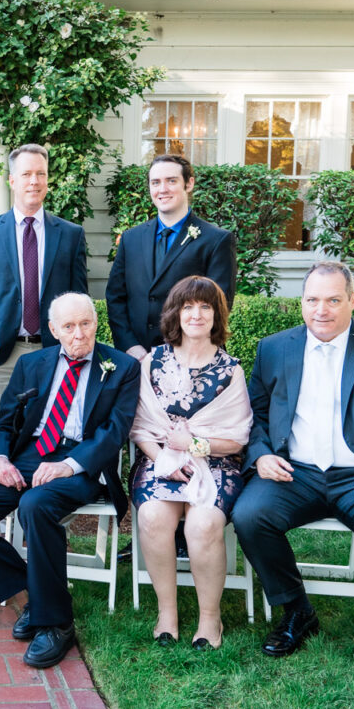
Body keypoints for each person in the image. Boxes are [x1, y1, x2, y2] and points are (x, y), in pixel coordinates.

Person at [234, 261, 354, 680]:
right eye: (312, 300)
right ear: (301, 302)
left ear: (352, 300)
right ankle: (296, 610)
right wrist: (261, 454)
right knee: (249, 515)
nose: (321, 310)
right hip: (295, 473)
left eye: (333, 300)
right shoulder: (274, 348)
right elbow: (255, 414)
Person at [0, 293, 140, 669]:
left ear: (95, 323)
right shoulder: (32, 363)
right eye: (68, 326)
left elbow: (114, 433)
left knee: (34, 505)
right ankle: (36, 591)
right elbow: (6, 421)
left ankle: (56, 623)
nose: (79, 334)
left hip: (83, 463)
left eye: (85, 323)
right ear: (53, 330)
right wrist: (0, 459)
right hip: (29, 457)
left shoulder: (121, 367)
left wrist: (68, 465)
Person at [128, 276, 252, 650]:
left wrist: (194, 444)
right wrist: (165, 461)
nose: (196, 314)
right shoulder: (152, 362)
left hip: (215, 462)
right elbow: (140, 427)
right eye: (187, 307)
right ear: (176, 314)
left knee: (204, 523)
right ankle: (167, 613)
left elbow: (237, 438)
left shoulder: (230, 370)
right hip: (159, 460)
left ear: (216, 315)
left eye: (205, 307)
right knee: (153, 516)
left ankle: (209, 618)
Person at [0, 143, 88, 426]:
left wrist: (73, 344)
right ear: (12, 180)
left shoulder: (71, 235)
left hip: (54, 351)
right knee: (2, 433)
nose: (34, 181)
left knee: (51, 431)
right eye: (27, 174)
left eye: (41, 174)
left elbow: (79, 299)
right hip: (2, 354)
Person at [105, 154, 236, 362]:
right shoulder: (131, 238)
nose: (162, 189)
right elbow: (115, 297)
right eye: (155, 182)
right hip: (136, 359)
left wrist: (177, 355)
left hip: (192, 359)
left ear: (189, 184)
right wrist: (131, 347)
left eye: (171, 181)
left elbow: (219, 305)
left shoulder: (216, 240)